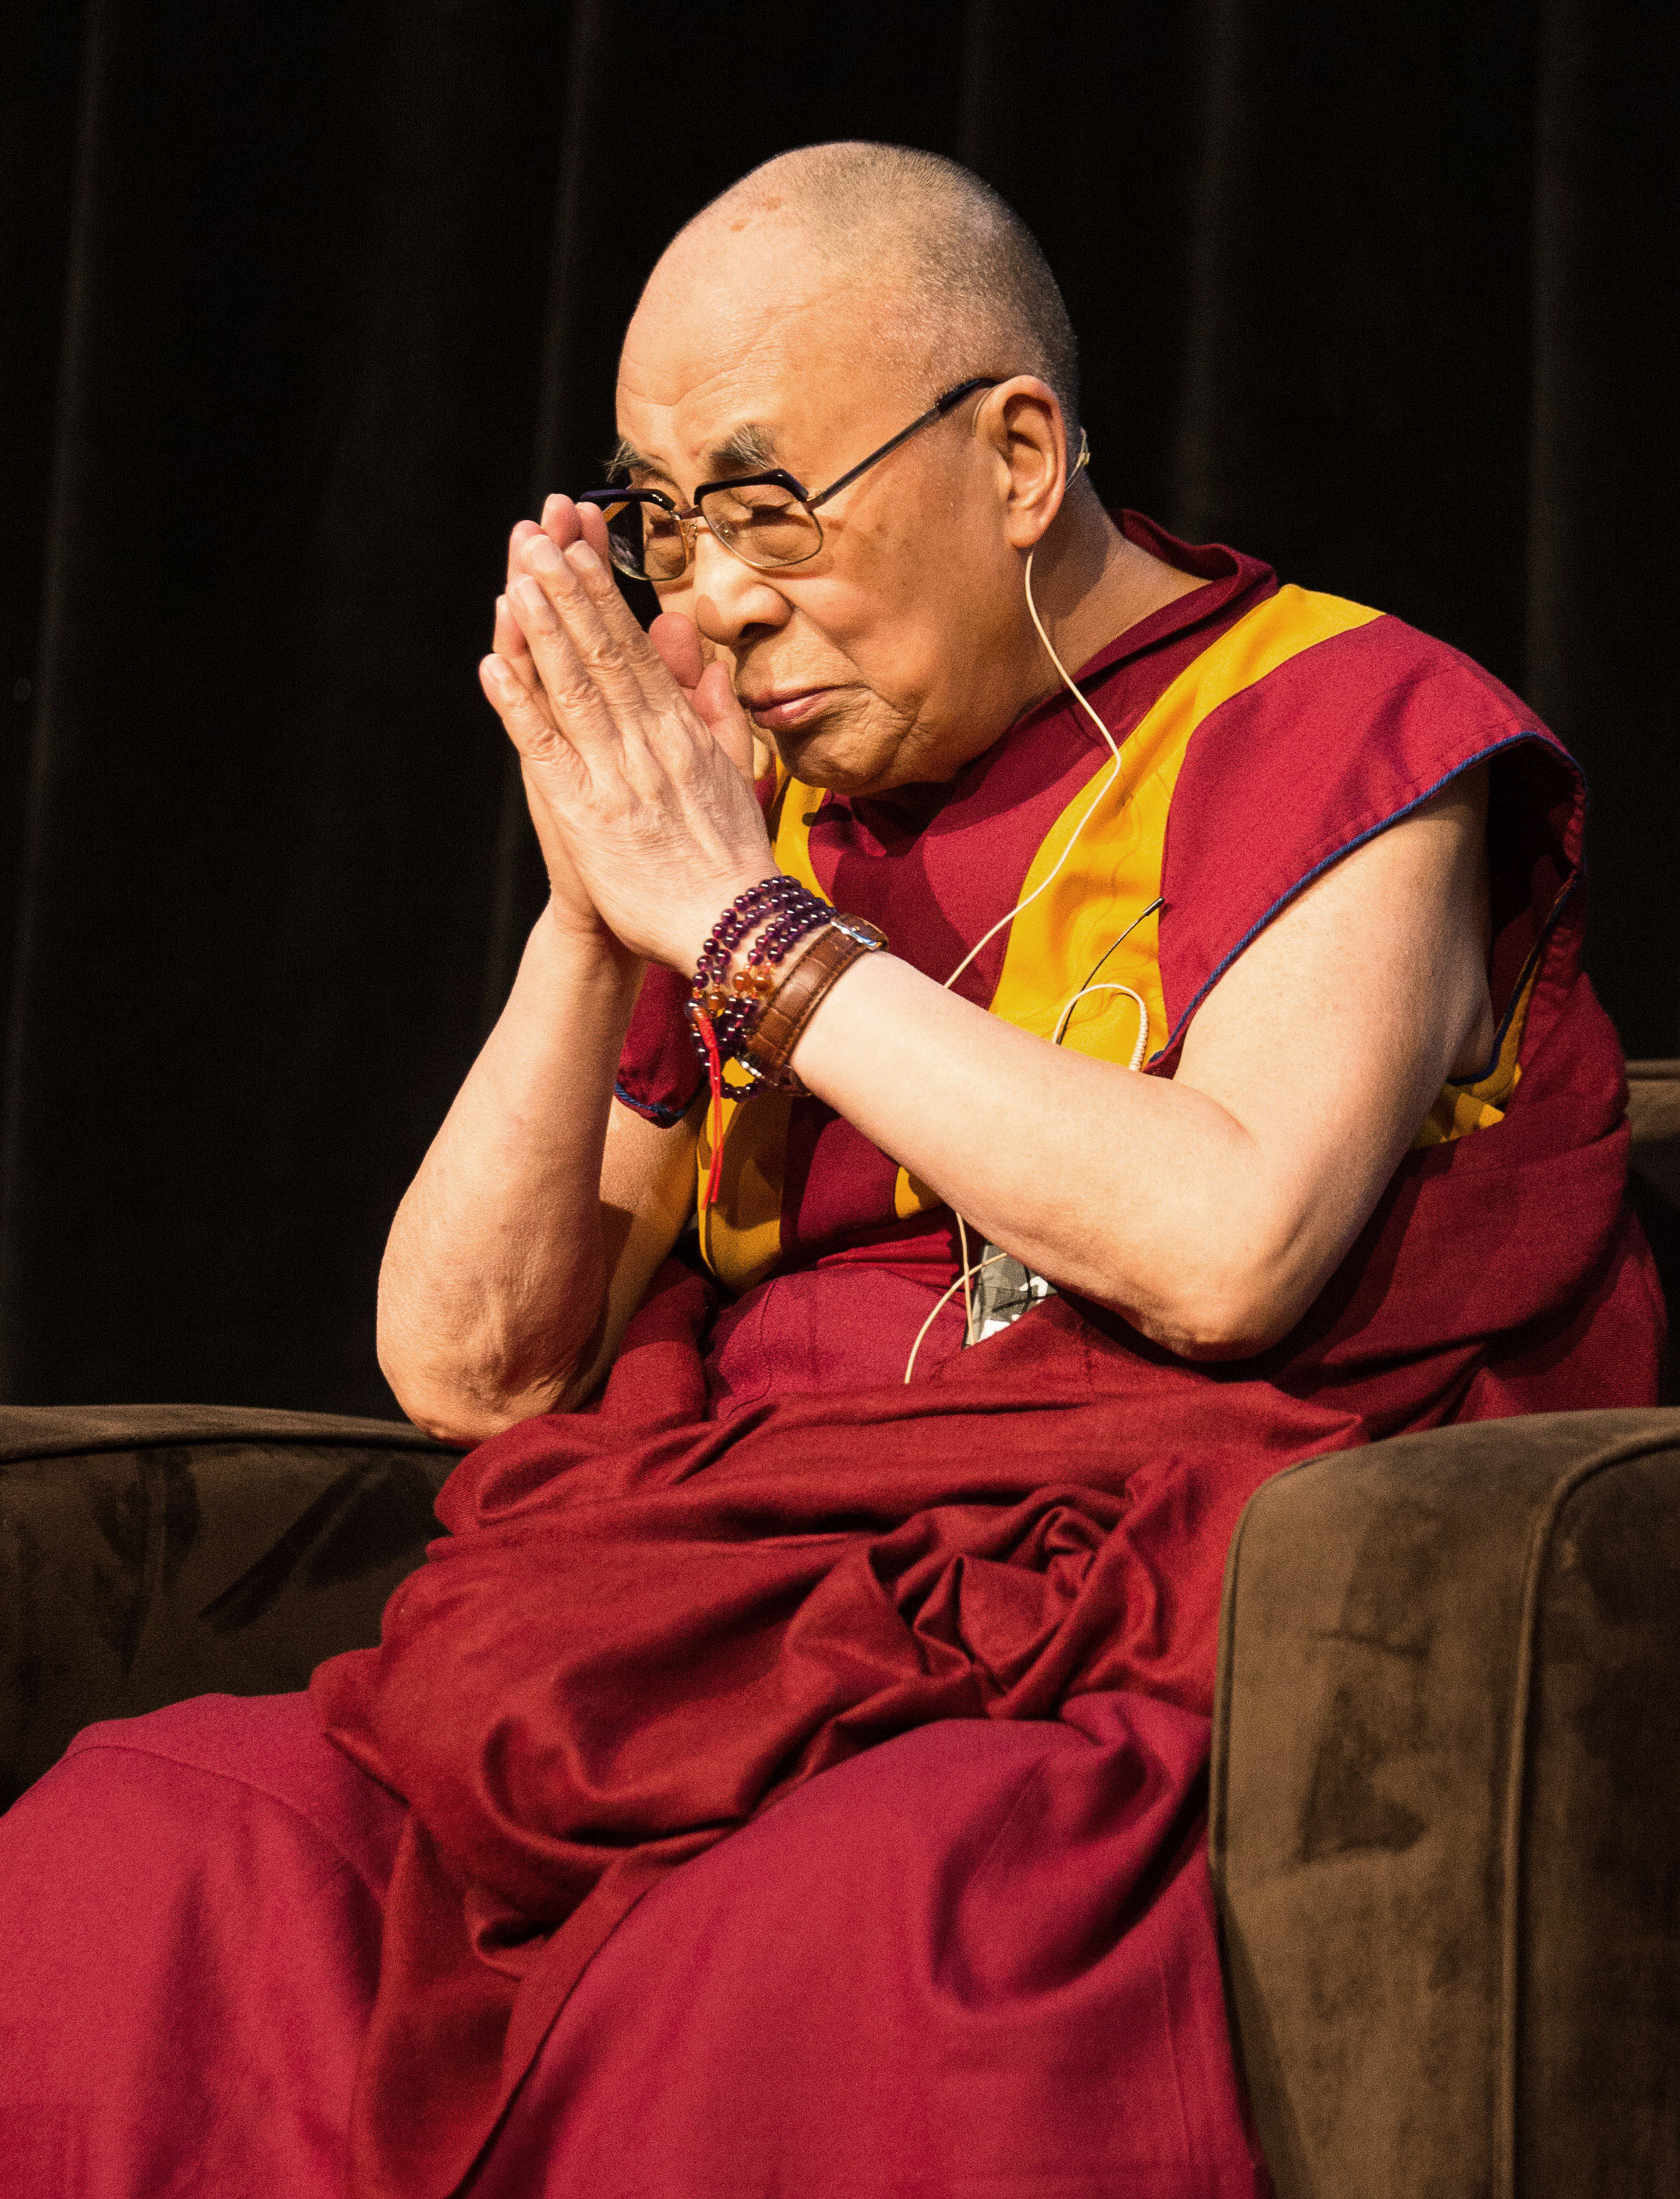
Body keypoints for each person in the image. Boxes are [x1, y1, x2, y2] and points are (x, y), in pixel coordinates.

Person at [0, 143, 1662, 2199]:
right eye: (664, 521)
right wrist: (602, 908)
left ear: (1022, 452)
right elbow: (471, 1369)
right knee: (150, 1834)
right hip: (692, 1647)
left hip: (1086, 1659)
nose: (708, 596)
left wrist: (752, 935)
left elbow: (1231, 1246)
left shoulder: (1345, 726)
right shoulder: (751, 823)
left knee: (852, 1908)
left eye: (766, 508)